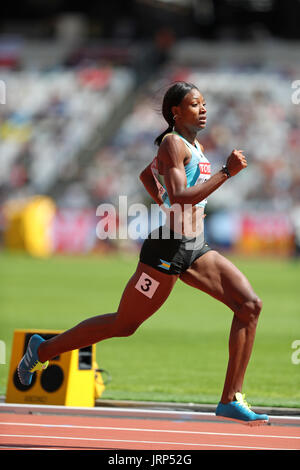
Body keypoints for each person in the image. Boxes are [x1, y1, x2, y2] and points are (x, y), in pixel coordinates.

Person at [18, 81, 269, 425]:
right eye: (196, 104)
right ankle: (42, 350)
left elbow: (147, 176)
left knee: (249, 305)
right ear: (176, 112)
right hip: (165, 250)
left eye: (204, 103)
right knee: (124, 324)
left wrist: (165, 201)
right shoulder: (172, 142)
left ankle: (230, 398)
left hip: (194, 247)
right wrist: (225, 173)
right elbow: (181, 194)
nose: (204, 109)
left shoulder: (192, 145)